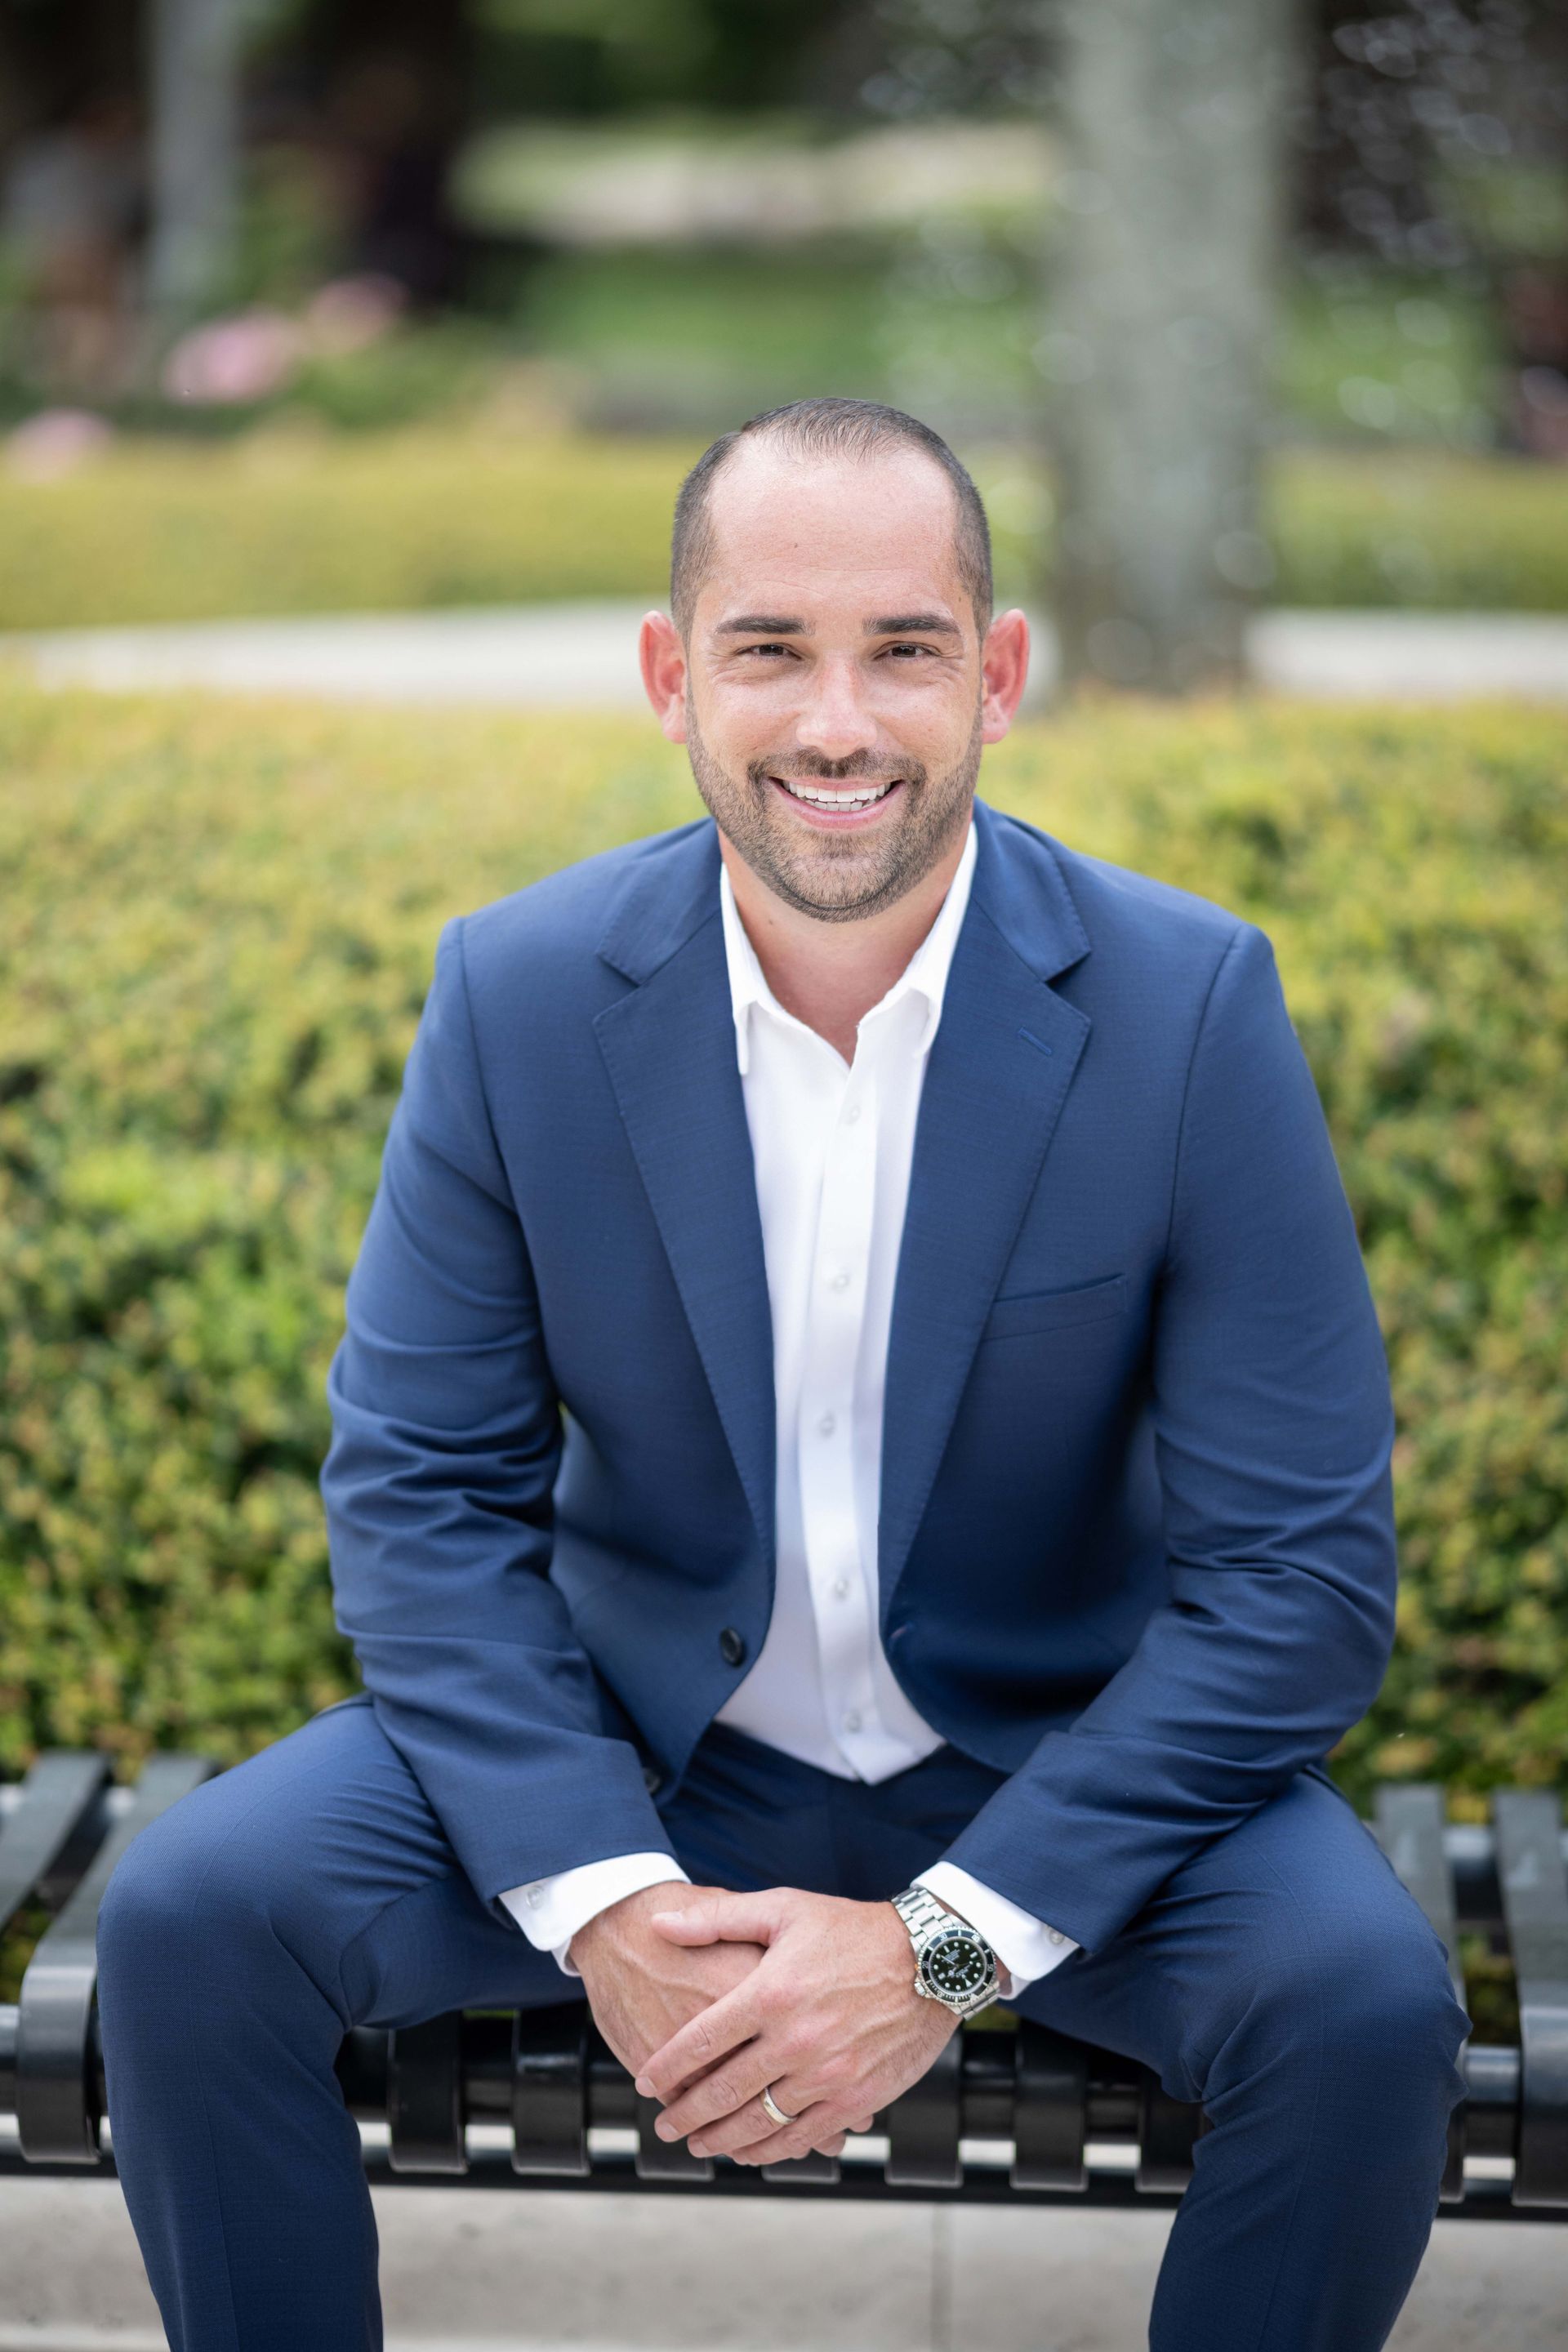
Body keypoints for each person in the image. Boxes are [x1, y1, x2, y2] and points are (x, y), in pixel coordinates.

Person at [95, 397, 1468, 2352]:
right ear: (673, 679)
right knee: (190, 1922)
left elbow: (1300, 1585)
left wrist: (941, 1949)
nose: (840, 723)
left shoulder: (1187, 1009)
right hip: (644, 1748)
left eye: (904, 648)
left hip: (1043, 1764)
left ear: (996, 674)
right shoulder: (522, 994)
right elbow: (421, 1496)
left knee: (1363, 2006)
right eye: (770, 650)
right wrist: (603, 1899)